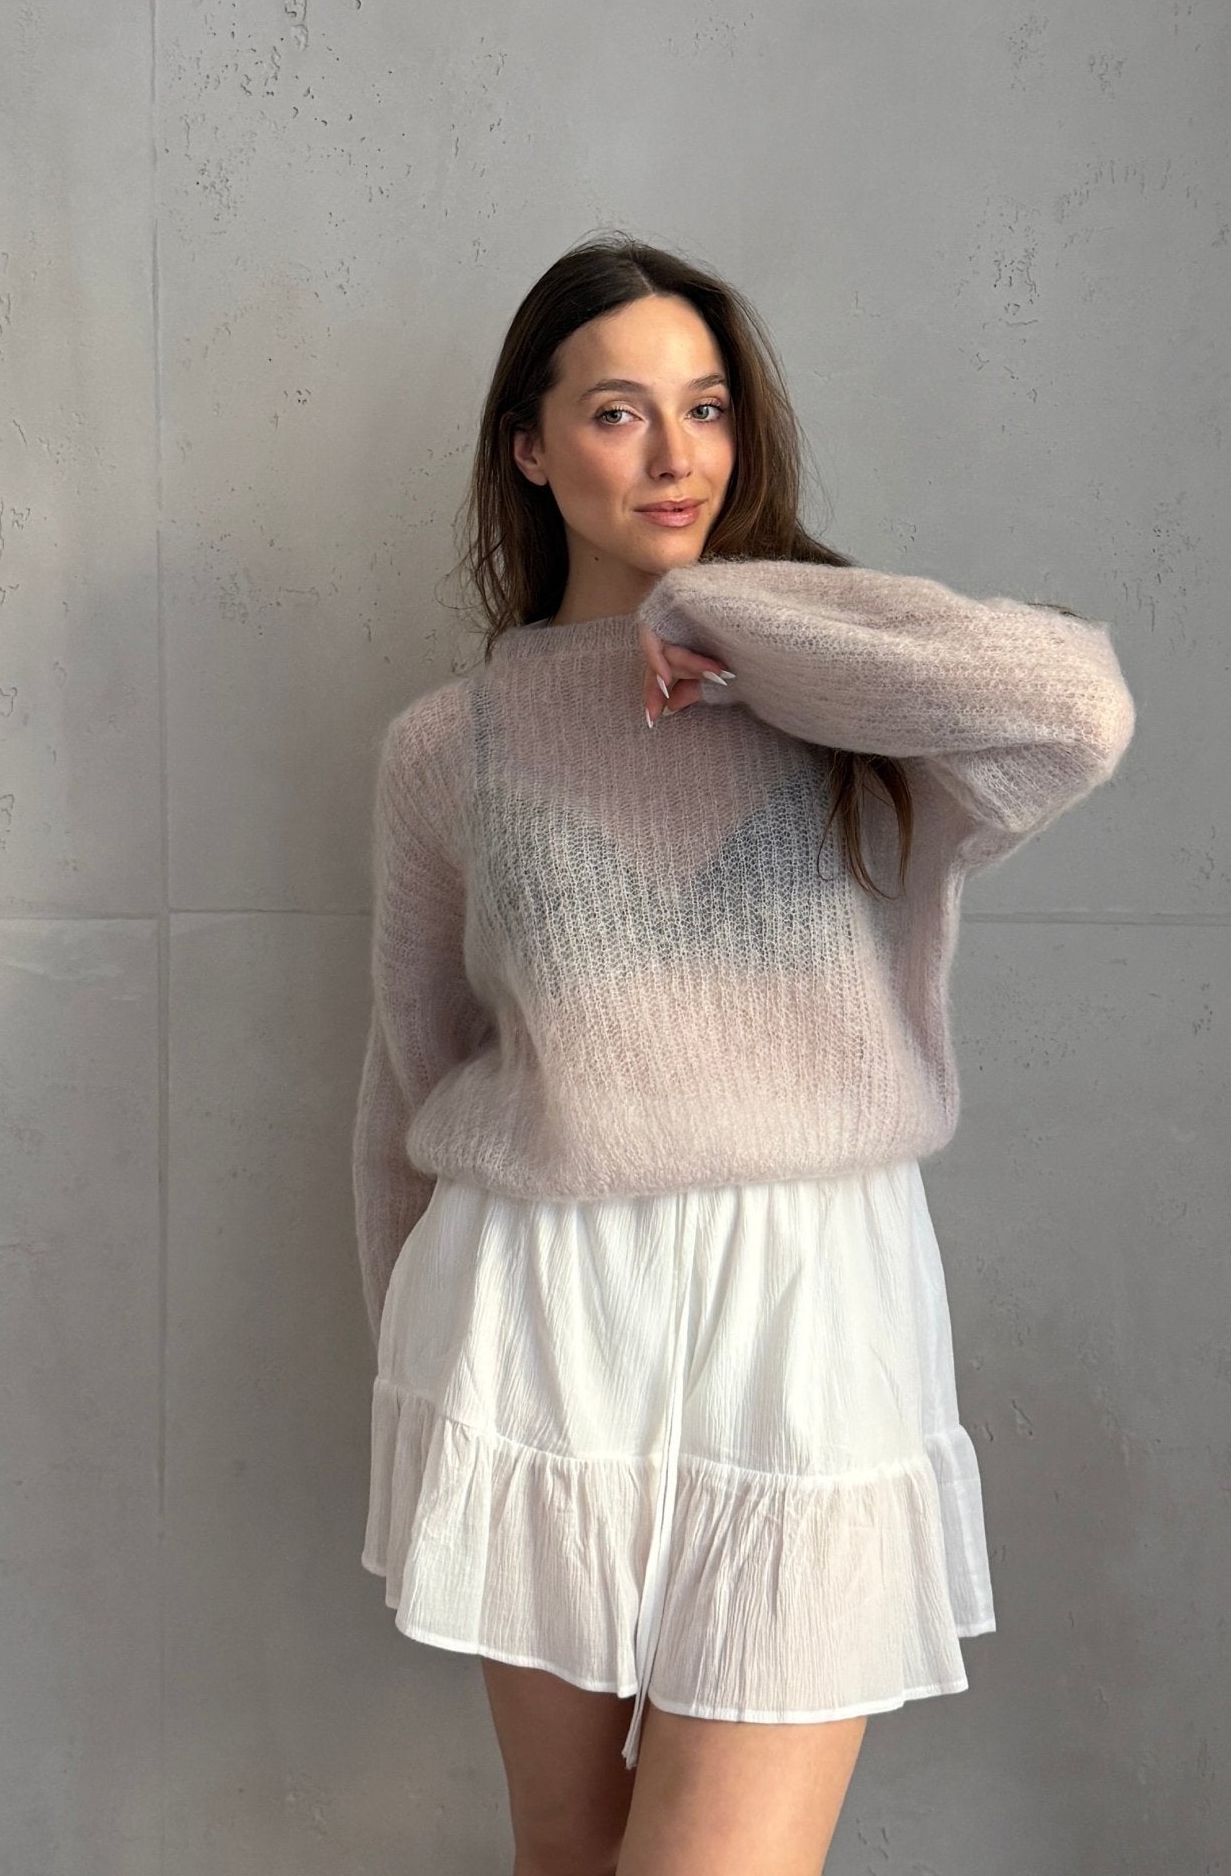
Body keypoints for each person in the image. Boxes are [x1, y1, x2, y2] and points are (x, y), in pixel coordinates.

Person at [352, 231, 1137, 1876]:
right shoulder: (447, 747)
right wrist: (418, 1395)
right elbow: (410, 1076)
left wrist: (733, 612)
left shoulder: (846, 698)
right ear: (528, 446)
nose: (674, 454)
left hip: (805, 1309)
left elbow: (1078, 709)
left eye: (704, 408)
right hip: (536, 1310)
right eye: (617, 412)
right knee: (567, 1853)